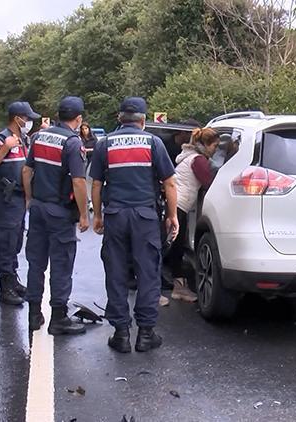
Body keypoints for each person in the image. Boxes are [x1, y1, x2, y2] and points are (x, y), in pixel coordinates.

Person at [90, 97, 178, 353]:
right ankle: (146, 334)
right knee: (148, 273)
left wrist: (98, 216)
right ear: (143, 120)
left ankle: (121, 335)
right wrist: (172, 215)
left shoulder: (104, 144)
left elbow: (96, 184)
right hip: (145, 217)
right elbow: (169, 183)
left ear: (119, 118)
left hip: (116, 216)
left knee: (116, 273)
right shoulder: (153, 142)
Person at [23, 96, 90, 335]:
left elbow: (27, 169)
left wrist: (30, 199)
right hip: (59, 212)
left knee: (36, 262)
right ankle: (59, 318)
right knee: (61, 263)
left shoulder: (39, 137)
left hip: (39, 208)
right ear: (79, 118)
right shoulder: (72, 143)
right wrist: (84, 214)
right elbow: (79, 182)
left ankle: (33, 314)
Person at [0, 101, 40, 306]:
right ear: (18, 118)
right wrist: (5, 148)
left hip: (19, 198)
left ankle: (13, 280)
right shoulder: (2, 139)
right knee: (6, 243)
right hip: (6, 199)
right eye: (27, 119)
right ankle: (4, 287)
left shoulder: (24, 140)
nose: (29, 122)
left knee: (16, 241)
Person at [165, 128, 221, 303]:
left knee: (175, 246)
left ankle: (176, 286)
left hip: (176, 205)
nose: (215, 150)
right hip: (178, 206)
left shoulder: (189, 156)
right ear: (205, 144)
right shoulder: (198, 160)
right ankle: (162, 291)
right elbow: (209, 183)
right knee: (170, 247)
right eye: (215, 146)